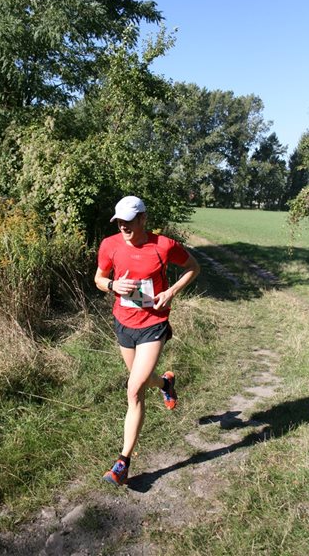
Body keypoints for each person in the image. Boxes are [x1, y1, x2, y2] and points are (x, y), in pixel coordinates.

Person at [94, 196, 200, 486]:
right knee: (140, 380)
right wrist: (113, 285)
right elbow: (99, 279)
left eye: (129, 221)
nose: (123, 226)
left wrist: (171, 291)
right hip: (124, 323)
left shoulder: (163, 245)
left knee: (133, 390)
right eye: (119, 221)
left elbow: (194, 267)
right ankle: (165, 384)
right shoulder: (110, 245)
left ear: (143, 218)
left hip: (153, 324)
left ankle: (122, 463)